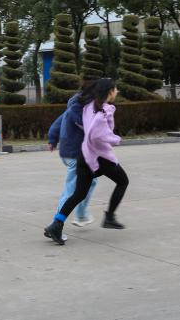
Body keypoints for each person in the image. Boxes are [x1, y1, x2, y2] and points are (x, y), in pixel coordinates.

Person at [44, 78, 129, 245]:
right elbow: (95, 134)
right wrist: (115, 139)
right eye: (115, 89)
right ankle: (109, 217)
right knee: (123, 181)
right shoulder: (103, 110)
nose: (117, 91)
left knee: (79, 193)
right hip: (99, 156)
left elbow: (79, 124)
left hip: (84, 155)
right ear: (109, 92)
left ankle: (56, 224)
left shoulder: (89, 106)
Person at [47, 82, 99, 230]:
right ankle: (56, 223)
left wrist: (52, 139)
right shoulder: (79, 108)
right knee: (71, 189)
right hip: (75, 154)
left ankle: (81, 214)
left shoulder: (75, 105)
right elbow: (88, 126)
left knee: (91, 181)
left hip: (72, 152)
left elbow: (58, 122)